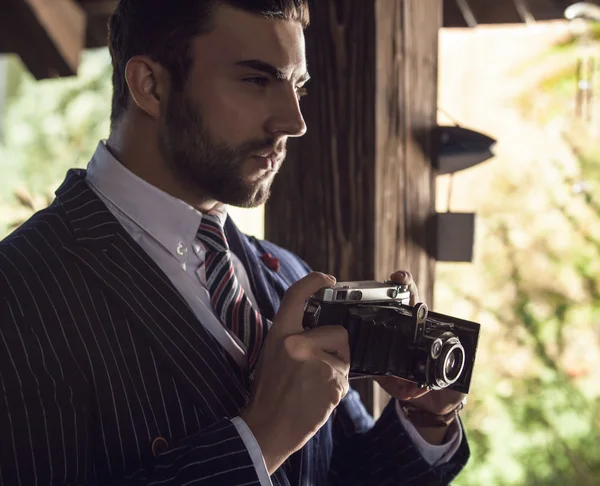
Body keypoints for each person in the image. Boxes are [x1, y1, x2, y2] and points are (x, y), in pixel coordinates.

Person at [0, 1, 470, 484]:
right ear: (150, 85)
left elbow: (337, 474)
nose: (294, 121)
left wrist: (426, 417)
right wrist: (261, 438)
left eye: (298, 86)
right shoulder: (17, 294)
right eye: (257, 80)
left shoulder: (286, 273)